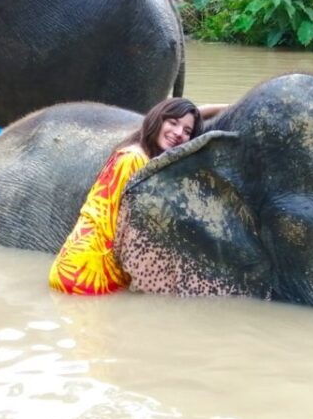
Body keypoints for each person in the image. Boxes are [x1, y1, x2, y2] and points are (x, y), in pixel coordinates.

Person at [49, 97, 223, 295]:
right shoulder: (135, 161)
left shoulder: (133, 150)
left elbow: (180, 117)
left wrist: (227, 107)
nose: (178, 133)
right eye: (173, 123)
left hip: (74, 263)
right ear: (157, 120)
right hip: (93, 272)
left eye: (187, 131)